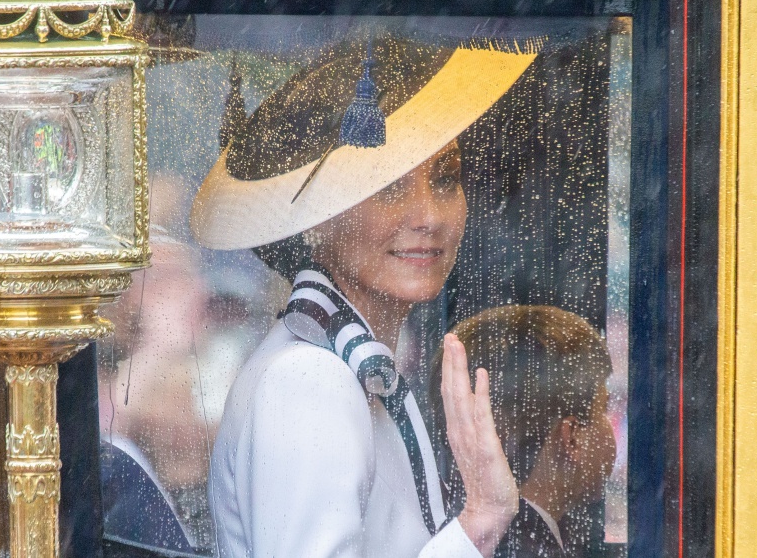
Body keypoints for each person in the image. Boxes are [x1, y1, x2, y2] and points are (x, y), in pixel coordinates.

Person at [191, 36, 538, 557]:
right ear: (315, 219)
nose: (430, 216)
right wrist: (482, 519)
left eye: (445, 179)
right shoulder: (310, 380)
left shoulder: (352, 367)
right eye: (389, 185)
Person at [431, 305, 616, 557]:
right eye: (602, 409)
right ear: (571, 437)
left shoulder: (459, 535)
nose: (610, 429)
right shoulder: (527, 547)